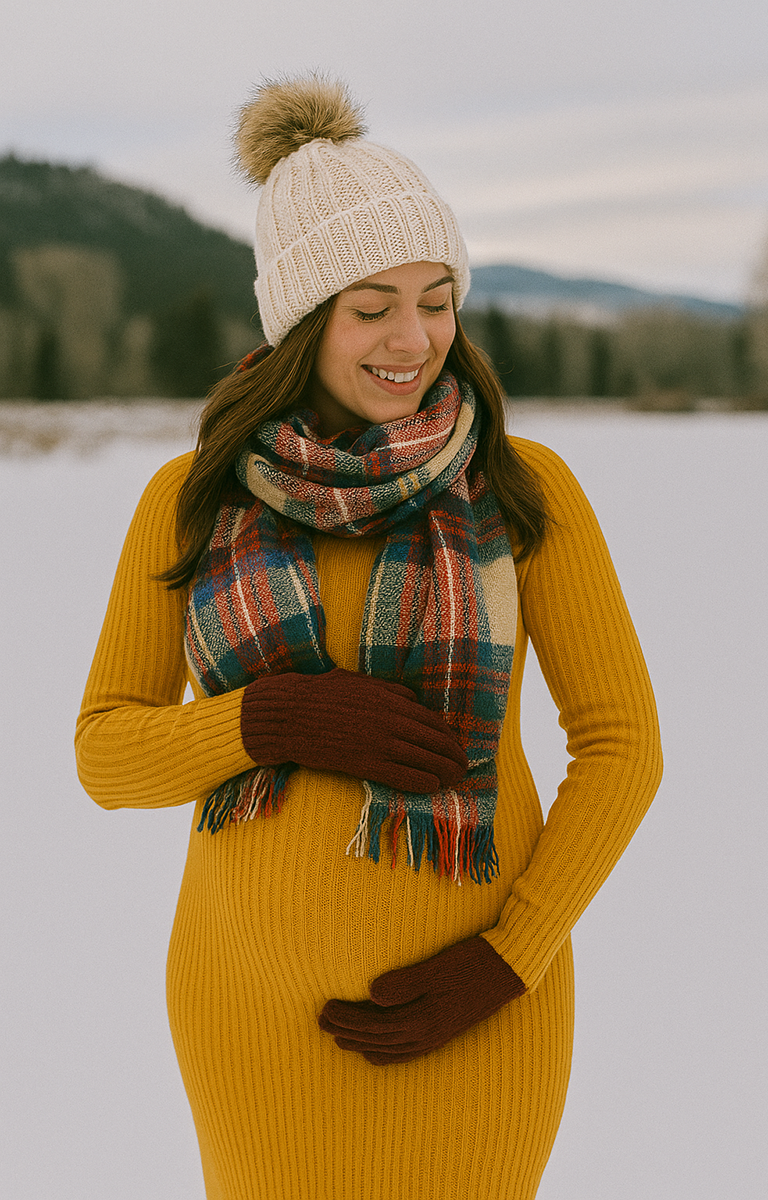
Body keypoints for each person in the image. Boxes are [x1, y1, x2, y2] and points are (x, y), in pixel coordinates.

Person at [76, 75, 663, 1200]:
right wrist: (268, 720)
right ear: (303, 323)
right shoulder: (190, 502)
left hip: (479, 1013)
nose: (414, 339)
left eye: (438, 300)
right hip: (248, 1019)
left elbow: (622, 746)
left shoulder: (522, 491)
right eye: (372, 307)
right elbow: (104, 752)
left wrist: (508, 959)